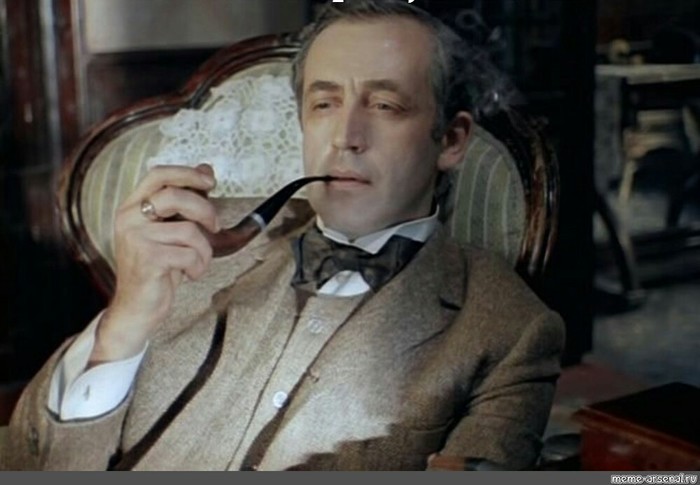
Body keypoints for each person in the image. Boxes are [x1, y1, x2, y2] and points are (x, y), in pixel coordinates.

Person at [1, 0, 564, 471]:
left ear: (452, 140)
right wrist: (124, 322)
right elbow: (29, 455)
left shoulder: (512, 329)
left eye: (386, 105)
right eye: (324, 104)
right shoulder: (197, 234)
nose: (346, 136)